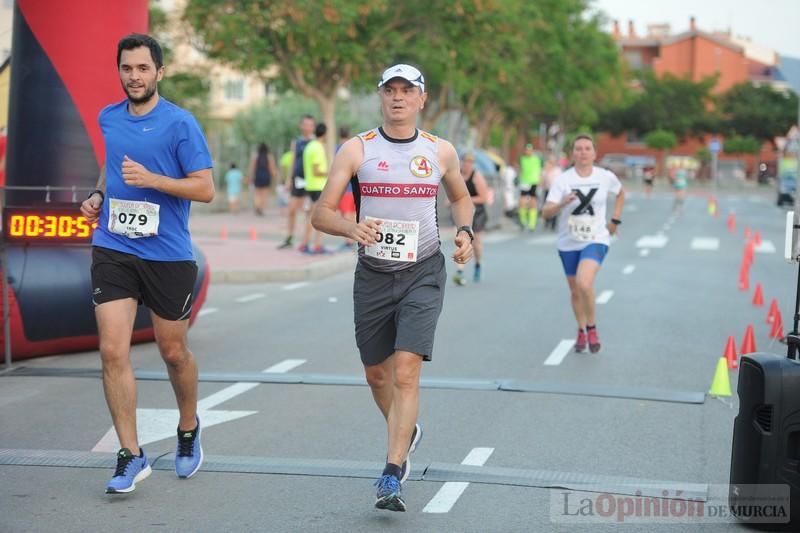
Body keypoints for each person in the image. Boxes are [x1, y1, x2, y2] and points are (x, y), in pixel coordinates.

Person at [311, 63, 474, 512]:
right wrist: (352, 227)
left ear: (422, 99)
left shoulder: (440, 151)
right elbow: (320, 214)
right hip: (374, 274)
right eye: (391, 90)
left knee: (405, 371)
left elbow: (461, 197)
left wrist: (465, 232)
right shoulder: (356, 150)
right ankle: (407, 429)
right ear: (381, 97)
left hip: (423, 270)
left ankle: (391, 472)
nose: (398, 97)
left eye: (408, 90)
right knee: (377, 374)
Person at [79, 33, 214, 494]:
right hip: (114, 247)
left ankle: (189, 426)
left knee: (173, 352)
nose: (133, 76)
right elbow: (114, 165)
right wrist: (100, 193)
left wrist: (154, 180)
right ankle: (131, 454)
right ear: (118, 71)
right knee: (112, 350)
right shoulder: (109, 117)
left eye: (142, 68)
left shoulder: (180, 124)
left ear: (159, 72)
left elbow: (205, 188)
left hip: (168, 254)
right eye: (126, 68)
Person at [541, 134, 624, 354]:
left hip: (596, 238)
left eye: (588, 148)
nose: (583, 152)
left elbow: (620, 192)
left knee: (584, 283)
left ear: (595, 153)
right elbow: (545, 211)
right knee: (575, 290)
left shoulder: (605, 176)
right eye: (578, 148)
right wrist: (561, 203)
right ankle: (580, 329)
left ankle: (592, 327)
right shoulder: (563, 180)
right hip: (568, 241)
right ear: (572, 153)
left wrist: (615, 219)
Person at [278, 115, 315, 249]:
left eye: (310, 125)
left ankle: (306, 240)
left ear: (313, 127)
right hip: (298, 180)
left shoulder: (315, 142)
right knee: (292, 209)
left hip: (312, 182)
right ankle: (290, 237)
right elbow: (293, 160)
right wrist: (289, 179)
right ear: (301, 125)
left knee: (309, 211)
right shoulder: (297, 142)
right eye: (305, 124)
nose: (307, 127)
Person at [453, 152, 489, 285]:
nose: (467, 165)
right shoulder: (457, 175)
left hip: (477, 213)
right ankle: (460, 271)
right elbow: (452, 195)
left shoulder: (476, 177)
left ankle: (478, 264)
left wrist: (466, 200)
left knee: (477, 243)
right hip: (462, 214)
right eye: (465, 162)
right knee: (460, 240)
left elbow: (484, 197)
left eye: (470, 162)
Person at [299, 122, 328, 253]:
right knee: (318, 218)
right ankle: (317, 245)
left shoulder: (309, 146)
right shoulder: (317, 147)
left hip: (310, 186)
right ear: (325, 134)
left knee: (310, 216)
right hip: (318, 187)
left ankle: (305, 244)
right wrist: (330, 172)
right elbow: (317, 170)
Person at [336, 126, 357, 250]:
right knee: (352, 214)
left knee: (346, 214)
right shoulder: (353, 147)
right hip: (354, 187)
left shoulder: (339, 148)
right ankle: (353, 240)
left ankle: (349, 241)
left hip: (345, 188)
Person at [518, 143, 542, 231]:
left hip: (534, 182)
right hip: (524, 182)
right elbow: (520, 169)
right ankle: (523, 221)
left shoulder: (536, 159)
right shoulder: (522, 159)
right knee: (522, 202)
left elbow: (540, 170)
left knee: (533, 202)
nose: (528, 151)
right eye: (526, 150)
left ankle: (532, 223)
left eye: (529, 150)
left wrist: (540, 181)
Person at [248, 142, 277, 216]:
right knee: (264, 193)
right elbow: (271, 168)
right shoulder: (269, 156)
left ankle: (257, 206)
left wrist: (250, 177)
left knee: (257, 193)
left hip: (258, 176)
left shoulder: (255, 156)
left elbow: (252, 168)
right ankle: (261, 208)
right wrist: (274, 176)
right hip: (266, 177)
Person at [540, 155, 562, 231]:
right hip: (547, 190)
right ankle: (547, 221)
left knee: (555, 206)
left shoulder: (558, 170)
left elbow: (560, 181)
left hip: (555, 191)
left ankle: (553, 222)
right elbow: (542, 181)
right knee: (546, 206)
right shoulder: (545, 170)